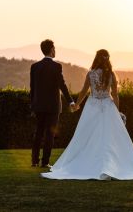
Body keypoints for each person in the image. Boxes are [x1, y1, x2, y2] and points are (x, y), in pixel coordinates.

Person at [41, 49, 133, 180]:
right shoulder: (111, 74)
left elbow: (83, 91)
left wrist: (77, 104)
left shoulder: (91, 73)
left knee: (86, 135)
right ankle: (112, 166)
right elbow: (115, 94)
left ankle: (89, 163)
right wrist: (116, 111)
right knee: (110, 137)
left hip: (92, 106)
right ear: (108, 59)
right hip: (108, 106)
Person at [30, 39, 75, 168]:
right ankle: (45, 162)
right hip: (53, 106)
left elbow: (32, 88)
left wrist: (33, 105)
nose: (55, 51)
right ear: (51, 50)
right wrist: (70, 101)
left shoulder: (34, 67)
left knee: (38, 133)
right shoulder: (56, 66)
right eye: (54, 48)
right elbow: (62, 86)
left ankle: (34, 161)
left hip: (38, 105)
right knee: (50, 134)